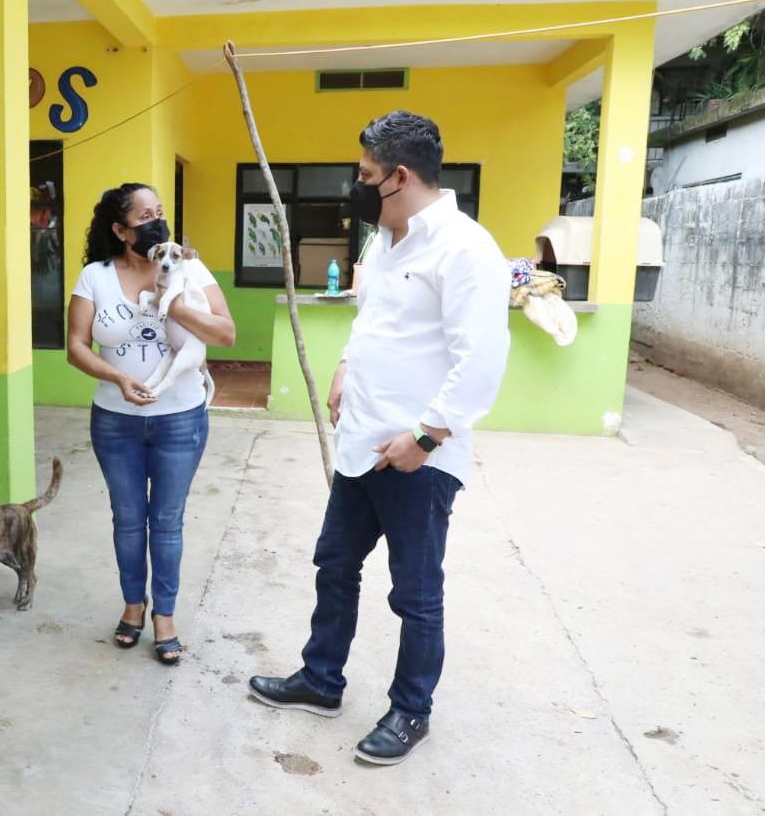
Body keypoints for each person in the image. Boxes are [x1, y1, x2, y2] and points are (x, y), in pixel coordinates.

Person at [248, 111, 511, 765]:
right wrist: (344, 366)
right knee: (334, 564)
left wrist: (425, 436)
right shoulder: (383, 240)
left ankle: (411, 709)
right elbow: (373, 322)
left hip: (417, 458)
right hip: (361, 444)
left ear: (399, 176)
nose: (356, 186)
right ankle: (321, 679)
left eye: (365, 175)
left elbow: (481, 358)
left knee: (414, 595)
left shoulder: (465, 248)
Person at [67, 183, 235, 665]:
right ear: (121, 230)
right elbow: (75, 346)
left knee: (166, 521)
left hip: (179, 419)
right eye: (145, 217)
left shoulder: (188, 267)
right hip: (115, 421)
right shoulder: (95, 277)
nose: (157, 223)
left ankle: (165, 615)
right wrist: (117, 377)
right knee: (127, 519)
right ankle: (132, 606)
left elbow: (226, 333)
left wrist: (172, 301)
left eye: (160, 213)